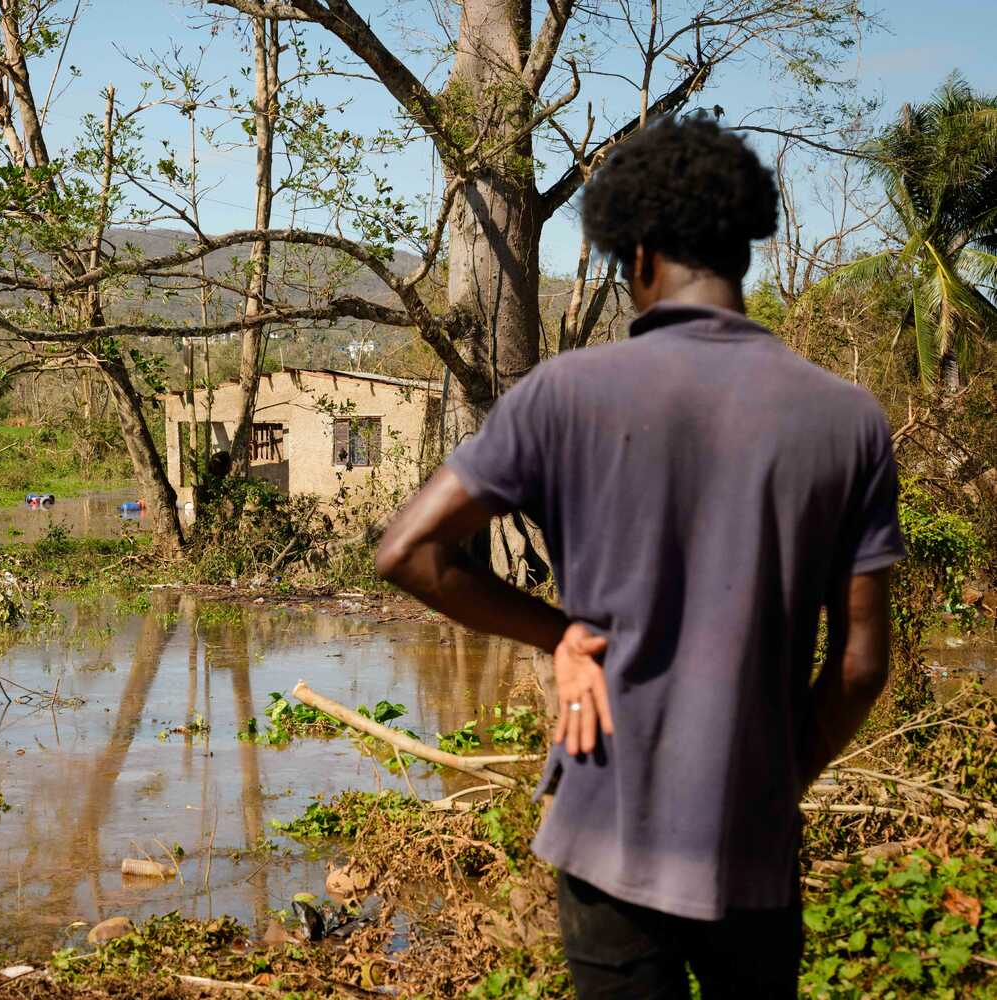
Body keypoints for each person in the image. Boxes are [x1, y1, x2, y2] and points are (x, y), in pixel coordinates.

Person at [374, 115, 902, 998]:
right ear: (744, 246)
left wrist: (562, 635)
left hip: (608, 832)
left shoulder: (564, 395)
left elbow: (409, 552)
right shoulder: (846, 418)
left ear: (640, 252)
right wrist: (779, 778)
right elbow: (860, 666)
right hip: (754, 847)